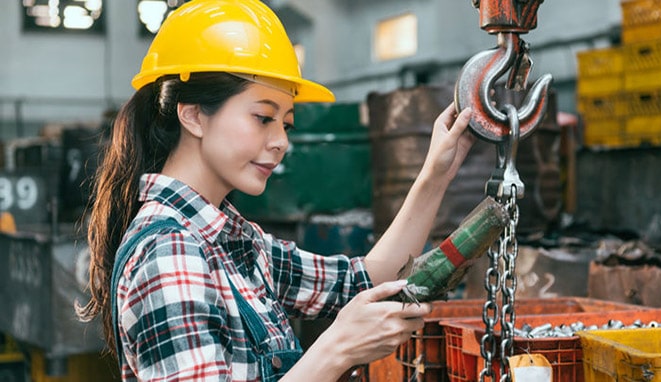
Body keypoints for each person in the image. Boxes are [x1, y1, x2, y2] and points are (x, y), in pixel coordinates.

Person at [76, 0, 475, 381]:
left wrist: (437, 172)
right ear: (194, 115)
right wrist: (336, 348)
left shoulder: (235, 243)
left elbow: (364, 279)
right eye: (263, 117)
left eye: (286, 123)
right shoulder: (171, 254)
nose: (281, 141)